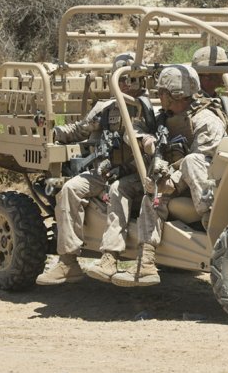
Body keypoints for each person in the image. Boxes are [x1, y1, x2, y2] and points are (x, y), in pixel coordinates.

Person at [110, 64, 226, 287]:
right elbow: (133, 129)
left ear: (174, 95)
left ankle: (211, 224)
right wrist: (145, 140)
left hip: (205, 183)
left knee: (191, 163)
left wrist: (170, 180)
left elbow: (203, 162)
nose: (158, 96)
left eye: (162, 92)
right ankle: (146, 263)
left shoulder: (206, 121)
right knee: (152, 193)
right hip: (176, 177)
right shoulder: (165, 117)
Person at [36, 52, 146, 286]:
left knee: (118, 189)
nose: (128, 85)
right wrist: (55, 133)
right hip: (103, 172)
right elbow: (80, 130)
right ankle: (68, 261)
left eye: (133, 79)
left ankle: (110, 258)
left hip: (135, 175)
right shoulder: (106, 108)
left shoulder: (147, 110)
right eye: (123, 79)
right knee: (70, 189)